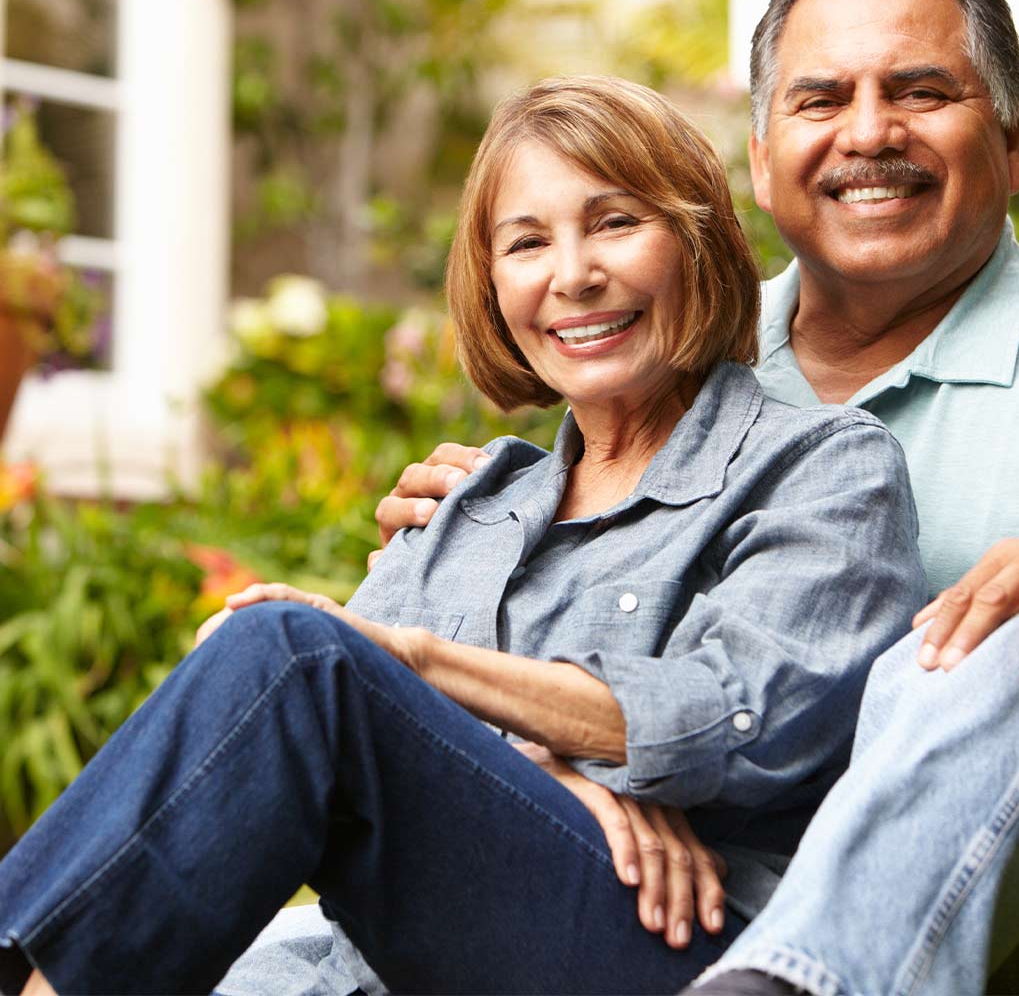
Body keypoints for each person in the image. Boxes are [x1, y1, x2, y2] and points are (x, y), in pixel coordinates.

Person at [380, 0, 1019, 994]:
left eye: (921, 91)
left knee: (1014, 615)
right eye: (820, 100)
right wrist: (485, 548)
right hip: (688, 898)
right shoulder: (660, 354)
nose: (869, 133)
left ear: (1014, 140)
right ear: (762, 157)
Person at [0, 76, 927, 996]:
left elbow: (739, 717)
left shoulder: (825, 467)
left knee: (298, 656)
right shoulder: (472, 501)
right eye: (527, 243)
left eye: (614, 223)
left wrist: (421, 663)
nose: (572, 275)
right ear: (493, 287)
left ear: (697, 244)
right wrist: (550, 775)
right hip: (402, 961)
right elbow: (280, 724)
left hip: (672, 939)